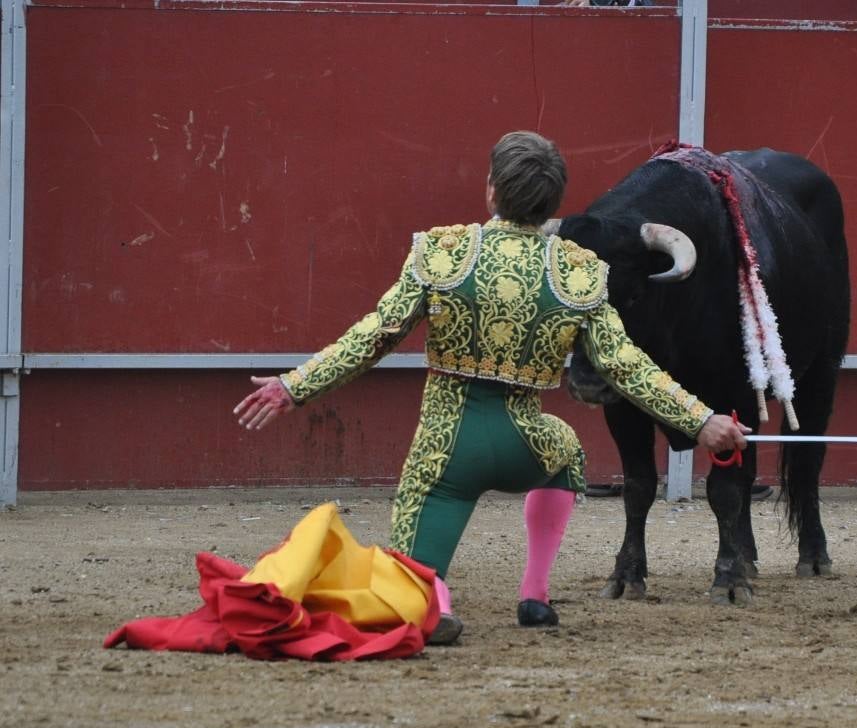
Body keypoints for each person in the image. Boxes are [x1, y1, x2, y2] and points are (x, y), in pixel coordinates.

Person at [233, 131, 749, 644]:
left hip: (445, 453)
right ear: (552, 201)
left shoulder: (442, 254)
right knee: (566, 447)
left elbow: (375, 337)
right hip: (526, 445)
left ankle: (435, 601)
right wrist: (701, 421)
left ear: (491, 191)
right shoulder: (578, 275)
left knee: (412, 590)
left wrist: (293, 386)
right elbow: (626, 366)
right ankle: (534, 594)